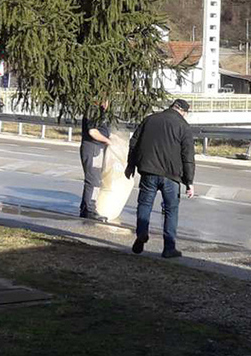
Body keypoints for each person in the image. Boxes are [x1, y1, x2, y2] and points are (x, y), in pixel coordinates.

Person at [125, 99, 195, 258]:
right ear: (183, 111)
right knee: (171, 210)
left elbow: (134, 143)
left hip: (148, 171)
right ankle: (169, 248)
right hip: (171, 176)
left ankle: (142, 233)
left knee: (144, 204)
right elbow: (188, 156)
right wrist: (189, 182)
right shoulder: (183, 126)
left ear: (171, 107)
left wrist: (131, 165)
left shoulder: (150, 119)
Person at [79, 101, 111, 221]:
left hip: (97, 148)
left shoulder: (100, 110)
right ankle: (90, 209)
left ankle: (85, 207)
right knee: (94, 181)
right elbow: (93, 132)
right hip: (93, 149)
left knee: (94, 180)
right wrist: (108, 141)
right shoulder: (93, 109)